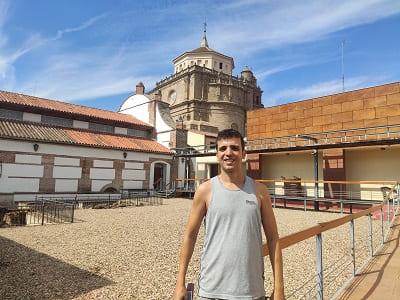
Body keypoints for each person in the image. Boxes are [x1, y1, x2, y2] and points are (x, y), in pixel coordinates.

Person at [174, 129, 284, 300]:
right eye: (223, 148)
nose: (228, 153)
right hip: (212, 291)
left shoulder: (260, 191)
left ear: (244, 153)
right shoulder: (205, 191)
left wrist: (279, 288)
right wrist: (179, 283)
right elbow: (190, 236)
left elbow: (273, 238)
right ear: (217, 154)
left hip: (251, 291)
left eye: (234, 148)